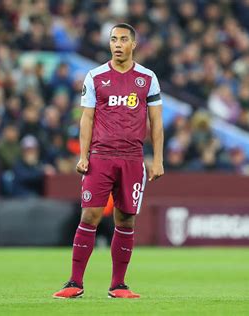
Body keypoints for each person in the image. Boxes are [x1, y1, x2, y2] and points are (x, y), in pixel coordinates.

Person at [53, 23, 164, 299]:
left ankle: (118, 285)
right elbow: (87, 118)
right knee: (89, 214)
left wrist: (158, 160)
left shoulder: (147, 78)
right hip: (100, 157)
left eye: (123, 39)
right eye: (113, 39)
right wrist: (82, 155)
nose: (117, 44)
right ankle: (74, 283)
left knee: (125, 220)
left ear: (133, 44)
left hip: (132, 159)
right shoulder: (95, 76)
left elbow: (156, 122)